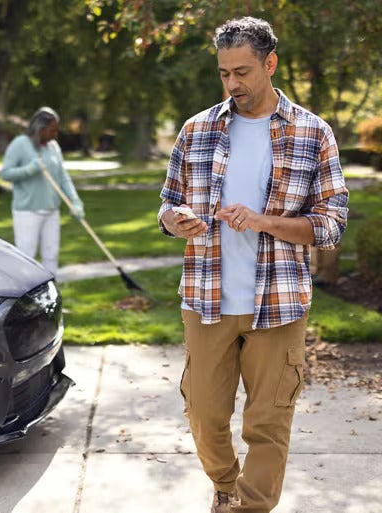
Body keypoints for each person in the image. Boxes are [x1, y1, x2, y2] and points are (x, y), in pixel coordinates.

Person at [158, 17, 348, 513]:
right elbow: (167, 202)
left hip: (279, 304)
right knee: (203, 414)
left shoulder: (312, 132)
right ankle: (225, 484)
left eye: (242, 71)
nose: (233, 84)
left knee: (268, 421)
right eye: (224, 74)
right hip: (206, 298)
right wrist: (174, 220)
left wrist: (265, 222)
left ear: (270, 64)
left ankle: (250, 506)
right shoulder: (197, 129)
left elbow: (330, 224)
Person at [0, 107, 84, 276]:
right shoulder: (20, 144)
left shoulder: (53, 146)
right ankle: (25, 296)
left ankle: (51, 294)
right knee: (26, 257)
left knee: (51, 255)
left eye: (56, 130)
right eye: (52, 130)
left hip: (51, 210)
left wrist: (75, 201)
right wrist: (29, 170)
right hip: (28, 212)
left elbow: (63, 176)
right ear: (40, 129)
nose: (55, 134)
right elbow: (5, 174)